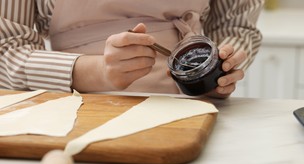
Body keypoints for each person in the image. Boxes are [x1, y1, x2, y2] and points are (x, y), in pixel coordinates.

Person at [0, 0, 263, 98]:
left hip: (196, 108)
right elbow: (6, 51)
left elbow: (236, 27)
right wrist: (100, 72)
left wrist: (221, 68)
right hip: (72, 110)